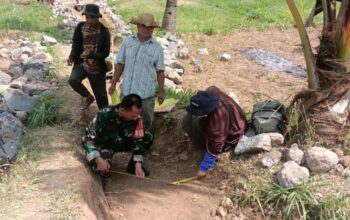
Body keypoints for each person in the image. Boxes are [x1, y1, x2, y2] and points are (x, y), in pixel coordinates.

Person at [108, 13, 165, 131]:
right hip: (127, 92)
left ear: (153, 29)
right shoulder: (128, 42)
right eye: (143, 26)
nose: (146, 29)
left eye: (149, 27)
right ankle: (124, 143)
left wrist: (161, 91)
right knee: (124, 120)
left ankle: (143, 145)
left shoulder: (157, 48)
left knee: (146, 123)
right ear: (138, 26)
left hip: (146, 94)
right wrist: (113, 83)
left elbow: (160, 71)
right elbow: (120, 64)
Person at [182, 86, 248, 178]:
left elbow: (217, 142)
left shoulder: (218, 119)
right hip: (227, 123)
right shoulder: (210, 95)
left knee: (197, 127)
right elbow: (212, 88)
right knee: (187, 120)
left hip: (232, 135)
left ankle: (201, 145)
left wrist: (204, 168)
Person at [82, 94, 153, 178]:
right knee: (102, 171)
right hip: (104, 145)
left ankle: (132, 167)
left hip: (121, 142)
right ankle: (103, 159)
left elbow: (139, 140)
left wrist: (138, 163)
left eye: (137, 115)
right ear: (122, 110)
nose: (136, 118)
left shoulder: (136, 118)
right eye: (133, 116)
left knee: (148, 136)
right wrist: (98, 159)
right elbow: (87, 138)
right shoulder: (104, 114)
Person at [67, 4, 111, 110]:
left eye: (93, 18)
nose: (90, 20)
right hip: (81, 63)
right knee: (73, 80)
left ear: (98, 17)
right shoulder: (81, 27)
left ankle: (104, 119)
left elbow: (105, 53)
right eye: (87, 17)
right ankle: (88, 96)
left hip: (97, 68)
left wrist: (92, 55)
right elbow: (76, 44)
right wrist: (72, 56)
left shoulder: (104, 32)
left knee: (101, 98)